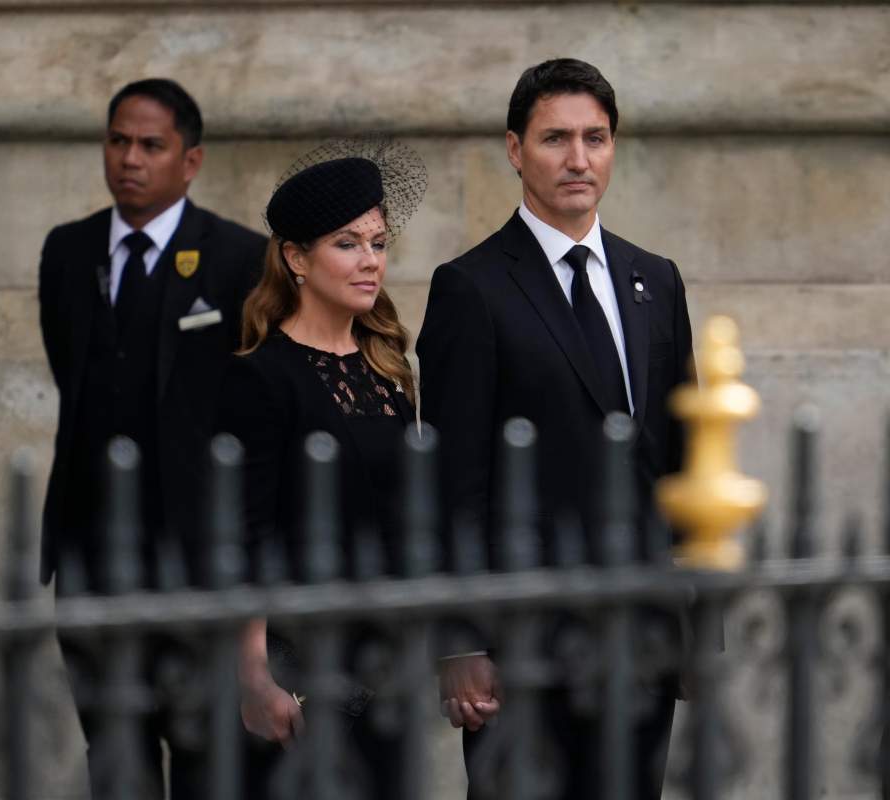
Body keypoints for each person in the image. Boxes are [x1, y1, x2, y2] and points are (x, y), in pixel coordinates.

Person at [416, 58, 694, 799]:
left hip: (642, 635)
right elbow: (452, 478)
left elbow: (680, 458)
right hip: (524, 646)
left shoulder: (655, 279)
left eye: (595, 138)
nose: (578, 159)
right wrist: (462, 640)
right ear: (515, 150)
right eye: (555, 139)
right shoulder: (470, 288)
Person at [37, 77, 266, 798]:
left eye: (150, 145)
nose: (129, 159)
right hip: (90, 555)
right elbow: (70, 370)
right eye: (117, 141)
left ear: (190, 161)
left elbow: (248, 405)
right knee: (117, 763)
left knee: (208, 762)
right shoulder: (68, 253)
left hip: (196, 562)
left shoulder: (237, 257)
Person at [215, 139, 427, 798]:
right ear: (296, 258)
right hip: (299, 673)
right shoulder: (260, 376)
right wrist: (254, 674)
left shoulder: (388, 373)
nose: (371, 261)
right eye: (348, 244)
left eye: (379, 242)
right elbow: (241, 534)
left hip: (385, 672)